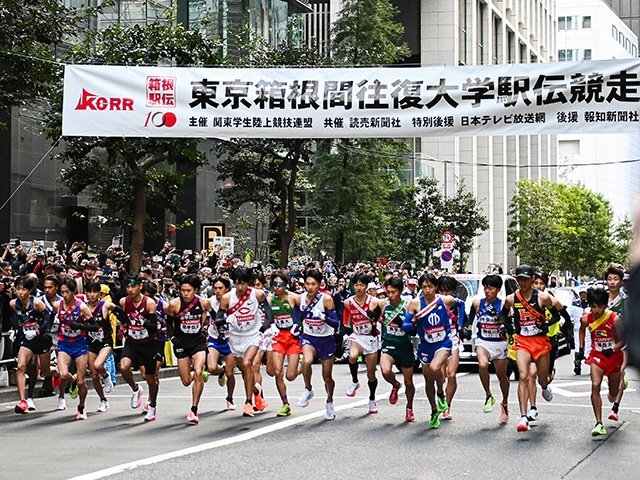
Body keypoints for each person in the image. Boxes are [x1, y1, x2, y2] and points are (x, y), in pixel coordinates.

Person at [501, 265, 560, 432]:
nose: (522, 282)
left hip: (541, 342)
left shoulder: (543, 298)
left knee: (542, 379)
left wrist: (547, 324)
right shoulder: (512, 299)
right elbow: (503, 314)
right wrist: (509, 328)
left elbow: (556, 315)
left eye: (525, 279)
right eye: (519, 279)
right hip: (523, 342)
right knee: (524, 376)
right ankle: (523, 416)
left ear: (532, 279)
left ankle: (545, 387)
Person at [403, 273, 460, 429]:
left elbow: (460, 305)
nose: (427, 290)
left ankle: (441, 392)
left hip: (443, 343)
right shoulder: (414, 304)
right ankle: (434, 410)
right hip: (426, 345)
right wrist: (410, 327)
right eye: (424, 287)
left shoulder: (444, 300)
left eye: (430, 286)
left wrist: (462, 324)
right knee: (428, 381)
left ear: (436, 287)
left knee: (436, 368)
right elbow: (407, 324)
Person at [216, 267, 273, 417]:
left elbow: (269, 315)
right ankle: (256, 391)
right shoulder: (227, 298)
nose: (240, 287)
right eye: (237, 284)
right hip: (235, 337)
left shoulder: (258, 294)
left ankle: (248, 402)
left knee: (248, 363)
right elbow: (218, 318)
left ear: (249, 282)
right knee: (244, 371)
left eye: (243, 283)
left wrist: (262, 329)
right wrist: (225, 321)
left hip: (253, 335)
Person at [165, 274, 212, 424]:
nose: (185, 293)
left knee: (197, 372)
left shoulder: (203, 303)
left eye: (189, 290)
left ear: (196, 290)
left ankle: (194, 409)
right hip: (181, 343)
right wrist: (173, 338)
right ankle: (198, 375)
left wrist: (205, 329)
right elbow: (168, 323)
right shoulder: (174, 304)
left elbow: (210, 317)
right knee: (186, 381)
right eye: (183, 290)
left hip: (198, 342)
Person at [579, 287, 624, 436]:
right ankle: (599, 423)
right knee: (595, 385)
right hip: (597, 356)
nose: (596, 310)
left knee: (612, 394)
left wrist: (612, 349)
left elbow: (623, 340)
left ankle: (620, 385)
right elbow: (581, 329)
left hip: (614, 357)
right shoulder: (586, 318)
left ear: (605, 305)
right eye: (593, 306)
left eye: (599, 306)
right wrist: (580, 348)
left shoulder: (615, 319)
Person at [10, 276, 57, 413]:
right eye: (18, 289)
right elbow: (17, 318)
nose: (20, 293)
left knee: (45, 370)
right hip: (27, 339)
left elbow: (48, 318)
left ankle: (57, 373)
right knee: (21, 366)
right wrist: (18, 330)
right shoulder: (13, 304)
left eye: (23, 289)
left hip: (41, 339)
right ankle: (23, 401)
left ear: (29, 291)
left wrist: (43, 331)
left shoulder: (36, 303)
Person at [296, 269, 339, 420]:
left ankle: (329, 401)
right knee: (306, 361)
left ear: (319, 285)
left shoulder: (326, 299)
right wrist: (295, 326)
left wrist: (323, 316)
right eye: (307, 284)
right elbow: (296, 315)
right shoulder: (299, 298)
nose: (310, 287)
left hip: (326, 339)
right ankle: (308, 389)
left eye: (313, 284)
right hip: (309, 337)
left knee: (327, 376)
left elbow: (335, 323)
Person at [53, 277, 97, 420]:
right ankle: (72, 382)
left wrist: (80, 326)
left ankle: (81, 408)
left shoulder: (82, 307)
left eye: (67, 292)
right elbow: (50, 320)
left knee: (81, 381)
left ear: (73, 292)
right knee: (63, 374)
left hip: (80, 344)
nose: (64, 295)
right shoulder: (58, 305)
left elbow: (94, 326)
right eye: (62, 292)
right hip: (64, 343)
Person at [117, 276, 160, 422]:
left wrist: (141, 319)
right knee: (123, 367)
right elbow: (124, 319)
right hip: (132, 341)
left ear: (140, 287)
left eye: (133, 287)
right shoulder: (124, 301)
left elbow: (154, 328)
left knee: (150, 378)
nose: (130, 290)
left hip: (148, 343)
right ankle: (136, 389)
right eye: (128, 287)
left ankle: (152, 406)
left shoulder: (149, 303)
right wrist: (122, 325)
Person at [469, 274, 510, 425]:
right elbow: (471, 316)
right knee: (483, 365)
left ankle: (504, 403)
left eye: (491, 288)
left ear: (498, 290)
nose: (487, 291)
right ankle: (488, 395)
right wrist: (467, 327)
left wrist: (504, 325)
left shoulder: (503, 304)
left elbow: (508, 321)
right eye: (485, 287)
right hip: (483, 341)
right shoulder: (477, 303)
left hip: (499, 344)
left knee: (502, 377)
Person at [343, 272, 384, 414]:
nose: (359, 287)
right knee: (352, 356)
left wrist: (376, 315)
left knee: (371, 375)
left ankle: (372, 399)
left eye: (362, 284)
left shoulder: (374, 301)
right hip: (357, 336)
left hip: (370, 338)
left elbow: (383, 314)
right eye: (356, 284)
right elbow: (346, 321)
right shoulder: (348, 302)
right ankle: (354, 381)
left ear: (366, 286)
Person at [380, 276, 416, 422]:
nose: (390, 295)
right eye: (388, 292)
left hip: (405, 345)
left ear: (400, 291)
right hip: (388, 343)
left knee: (409, 382)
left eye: (393, 292)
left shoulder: (408, 304)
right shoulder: (383, 304)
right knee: (385, 370)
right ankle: (395, 384)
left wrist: (405, 325)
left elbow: (414, 329)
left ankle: (409, 408)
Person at [267, 271, 302, 417]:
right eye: (274, 284)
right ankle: (285, 404)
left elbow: (303, 313)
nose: (277, 287)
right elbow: (266, 317)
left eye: (280, 284)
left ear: (286, 285)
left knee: (290, 376)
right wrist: (270, 325)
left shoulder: (293, 297)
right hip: (278, 337)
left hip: (292, 338)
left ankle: (302, 365)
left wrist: (298, 326)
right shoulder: (270, 299)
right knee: (277, 371)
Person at [436, 275, 467, 421]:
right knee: (440, 375)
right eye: (441, 291)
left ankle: (447, 406)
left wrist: (460, 324)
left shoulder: (455, 302)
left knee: (451, 374)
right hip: (437, 341)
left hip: (453, 340)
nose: (444, 295)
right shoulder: (433, 301)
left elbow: (462, 306)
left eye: (447, 291)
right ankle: (440, 397)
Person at [84, 281, 117, 413]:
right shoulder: (83, 307)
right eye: (89, 292)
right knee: (94, 375)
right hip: (91, 342)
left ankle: (106, 375)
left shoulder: (105, 305)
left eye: (95, 292)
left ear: (99, 293)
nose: (92, 295)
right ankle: (103, 400)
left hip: (105, 341)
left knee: (98, 366)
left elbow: (119, 310)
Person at [206, 276, 237, 411]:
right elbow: (205, 317)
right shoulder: (209, 302)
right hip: (214, 338)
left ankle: (229, 398)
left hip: (229, 340)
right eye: (215, 288)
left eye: (221, 288)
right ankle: (221, 370)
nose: (218, 291)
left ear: (227, 289)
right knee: (212, 368)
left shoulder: (233, 301)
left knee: (231, 374)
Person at [604, 264, 627, 421]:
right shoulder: (601, 298)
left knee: (620, 371)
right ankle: (614, 392)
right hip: (604, 342)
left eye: (615, 279)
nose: (612, 282)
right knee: (609, 376)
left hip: (622, 343)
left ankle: (615, 408)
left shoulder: (626, 302)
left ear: (621, 282)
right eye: (610, 279)